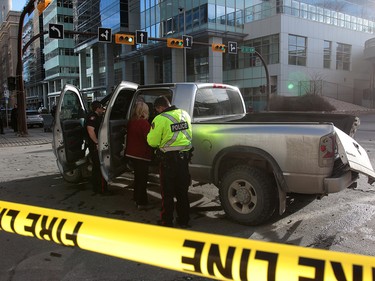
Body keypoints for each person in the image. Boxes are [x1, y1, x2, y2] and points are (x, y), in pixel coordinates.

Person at [147, 96, 193, 228]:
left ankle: (167, 221)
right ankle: (184, 220)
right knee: (182, 192)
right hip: (184, 160)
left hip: (168, 162)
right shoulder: (184, 114)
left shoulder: (160, 119)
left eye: (157, 109)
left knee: (167, 193)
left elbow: (152, 142)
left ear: (160, 107)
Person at [125, 101, 153, 210]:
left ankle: (136, 198)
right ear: (145, 111)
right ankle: (142, 202)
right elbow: (149, 139)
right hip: (142, 155)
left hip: (132, 154)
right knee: (142, 180)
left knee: (137, 178)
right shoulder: (144, 123)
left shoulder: (132, 121)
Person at [86, 100, 109, 195]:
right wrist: (97, 142)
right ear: (97, 108)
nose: (102, 109)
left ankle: (97, 187)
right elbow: (90, 130)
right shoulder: (92, 117)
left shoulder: (97, 116)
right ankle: (101, 189)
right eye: (101, 108)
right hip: (95, 146)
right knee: (100, 167)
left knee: (96, 167)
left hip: (96, 145)